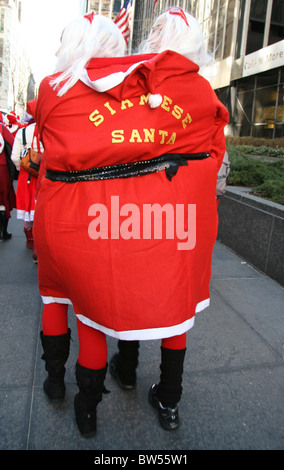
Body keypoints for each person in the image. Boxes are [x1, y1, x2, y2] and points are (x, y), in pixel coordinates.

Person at [33, 8, 228, 437]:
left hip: (97, 216)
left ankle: (101, 380)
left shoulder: (66, 87)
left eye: (156, 30)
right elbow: (215, 152)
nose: (147, 36)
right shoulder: (198, 91)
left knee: (94, 297)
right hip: (176, 218)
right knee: (173, 302)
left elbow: (66, 138)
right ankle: (168, 396)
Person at [11, 101, 43, 262]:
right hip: (44, 174)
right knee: (40, 208)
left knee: (27, 205)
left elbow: (15, 157)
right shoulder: (48, 129)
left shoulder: (22, 132)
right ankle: (40, 244)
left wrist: (23, 168)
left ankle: (30, 238)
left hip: (26, 175)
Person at [0, 116, 16, 241]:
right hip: (2, 168)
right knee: (3, 198)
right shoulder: (3, 130)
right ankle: (2, 231)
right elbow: (12, 143)